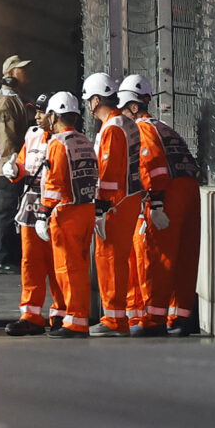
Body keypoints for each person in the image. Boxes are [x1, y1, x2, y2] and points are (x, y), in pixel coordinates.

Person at [117, 74, 202, 337]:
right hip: (188, 190)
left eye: (123, 109)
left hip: (166, 193)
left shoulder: (141, 129)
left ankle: (153, 318)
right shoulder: (165, 128)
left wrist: (156, 203)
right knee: (185, 257)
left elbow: (151, 164)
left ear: (133, 106)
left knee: (156, 256)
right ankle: (180, 317)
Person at [82, 72, 143, 337]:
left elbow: (108, 172)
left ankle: (114, 320)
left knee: (108, 259)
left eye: (89, 100)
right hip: (129, 200)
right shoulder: (126, 123)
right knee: (120, 260)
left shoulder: (112, 128)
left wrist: (101, 208)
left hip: (116, 204)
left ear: (96, 100)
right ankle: (119, 317)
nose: (88, 105)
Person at [35, 92, 98, 339]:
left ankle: (75, 322)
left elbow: (53, 182)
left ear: (54, 116)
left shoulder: (58, 144)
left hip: (67, 212)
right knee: (80, 268)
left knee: (67, 268)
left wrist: (42, 213)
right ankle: (78, 316)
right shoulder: (84, 141)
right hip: (86, 210)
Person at [2, 93, 66, 336]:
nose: (37, 116)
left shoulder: (66, 139)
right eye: (35, 111)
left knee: (58, 263)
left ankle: (61, 313)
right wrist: (13, 170)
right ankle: (31, 315)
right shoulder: (32, 135)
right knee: (30, 262)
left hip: (58, 208)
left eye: (41, 112)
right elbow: (22, 166)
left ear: (54, 115)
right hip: (31, 207)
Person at [0, 54, 32, 274]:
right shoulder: (5, 101)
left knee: (12, 210)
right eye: (22, 69)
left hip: (11, 164)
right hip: (7, 166)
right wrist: (12, 160)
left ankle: (9, 257)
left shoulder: (13, 98)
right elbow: (5, 135)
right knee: (7, 211)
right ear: (11, 74)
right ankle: (3, 259)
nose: (27, 73)